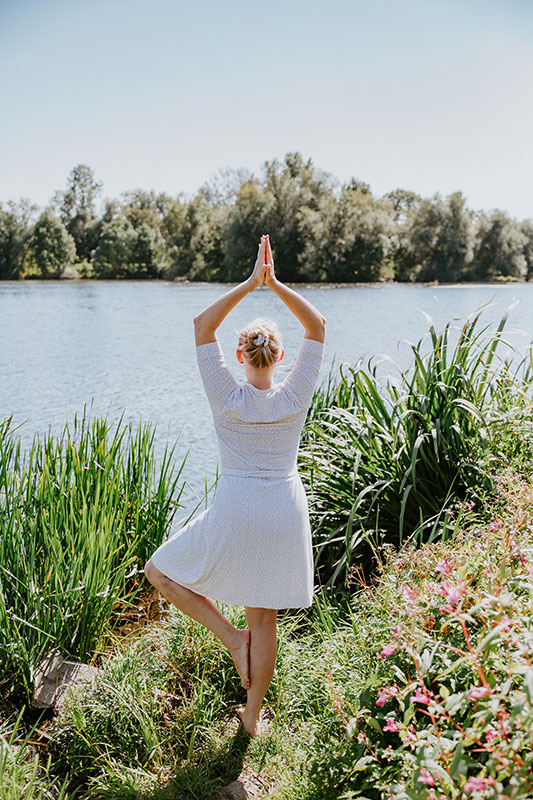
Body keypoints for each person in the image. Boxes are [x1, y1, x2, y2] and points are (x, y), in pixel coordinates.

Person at [144, 234, 326, 737]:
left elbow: (203, 324)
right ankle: (251, 717)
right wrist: (277, 284)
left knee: (159, 571)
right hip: (284, 513)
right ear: (282, 354)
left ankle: (229, 637)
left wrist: (250, 283)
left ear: (240, 354)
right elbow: (319, 325)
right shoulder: (294, 395)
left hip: (236, 507)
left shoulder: (225, 394)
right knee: (264, 622)